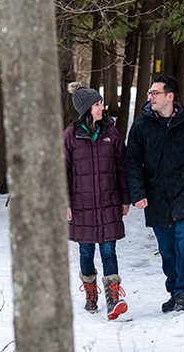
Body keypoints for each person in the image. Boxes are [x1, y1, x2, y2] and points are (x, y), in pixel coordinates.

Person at [125, 75, 184, 313]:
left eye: (155, 93)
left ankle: (182, 292)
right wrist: (137, 192)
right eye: (149, 93)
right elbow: (132, 162)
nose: (150, 97)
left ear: (170, 96)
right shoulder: (141, 125)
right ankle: (174, 289)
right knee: (166, 249)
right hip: (155, 195)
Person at [64, 82, 131, 320]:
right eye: (97, 104)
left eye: (101, 102)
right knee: (86, 252)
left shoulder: (111, 133)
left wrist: (125, 198)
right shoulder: (70, 136)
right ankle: (90, 294)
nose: (102, 107)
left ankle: (113, 298)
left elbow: (122, 168)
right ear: (86, 108)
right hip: (82, 206)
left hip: (108, 202)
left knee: (109, 250)